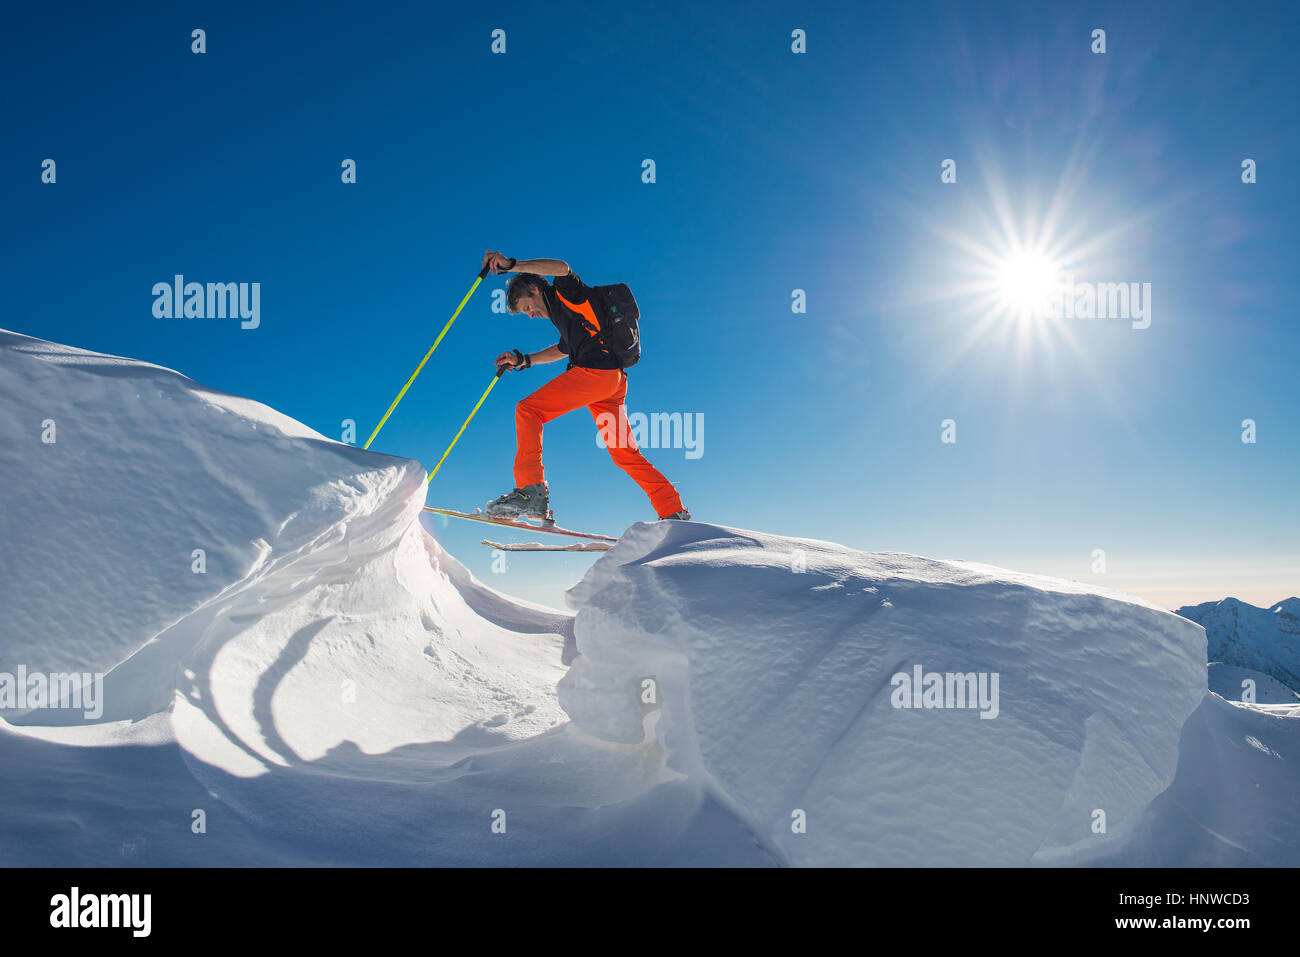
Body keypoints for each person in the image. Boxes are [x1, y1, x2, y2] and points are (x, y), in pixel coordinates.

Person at [480, 250, 690, 523]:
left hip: (596, 376)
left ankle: (530, 490)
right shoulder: (566, 318)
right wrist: (524, 360)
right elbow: (563, 349)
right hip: (611, 383)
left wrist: (512, 266)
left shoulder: (567, 294)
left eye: (526, 307)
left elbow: (563, 267)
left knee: (528, 410)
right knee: (625, 453)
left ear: (534, 288)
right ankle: (672, 510)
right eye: (524, 313)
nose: (529, 315)